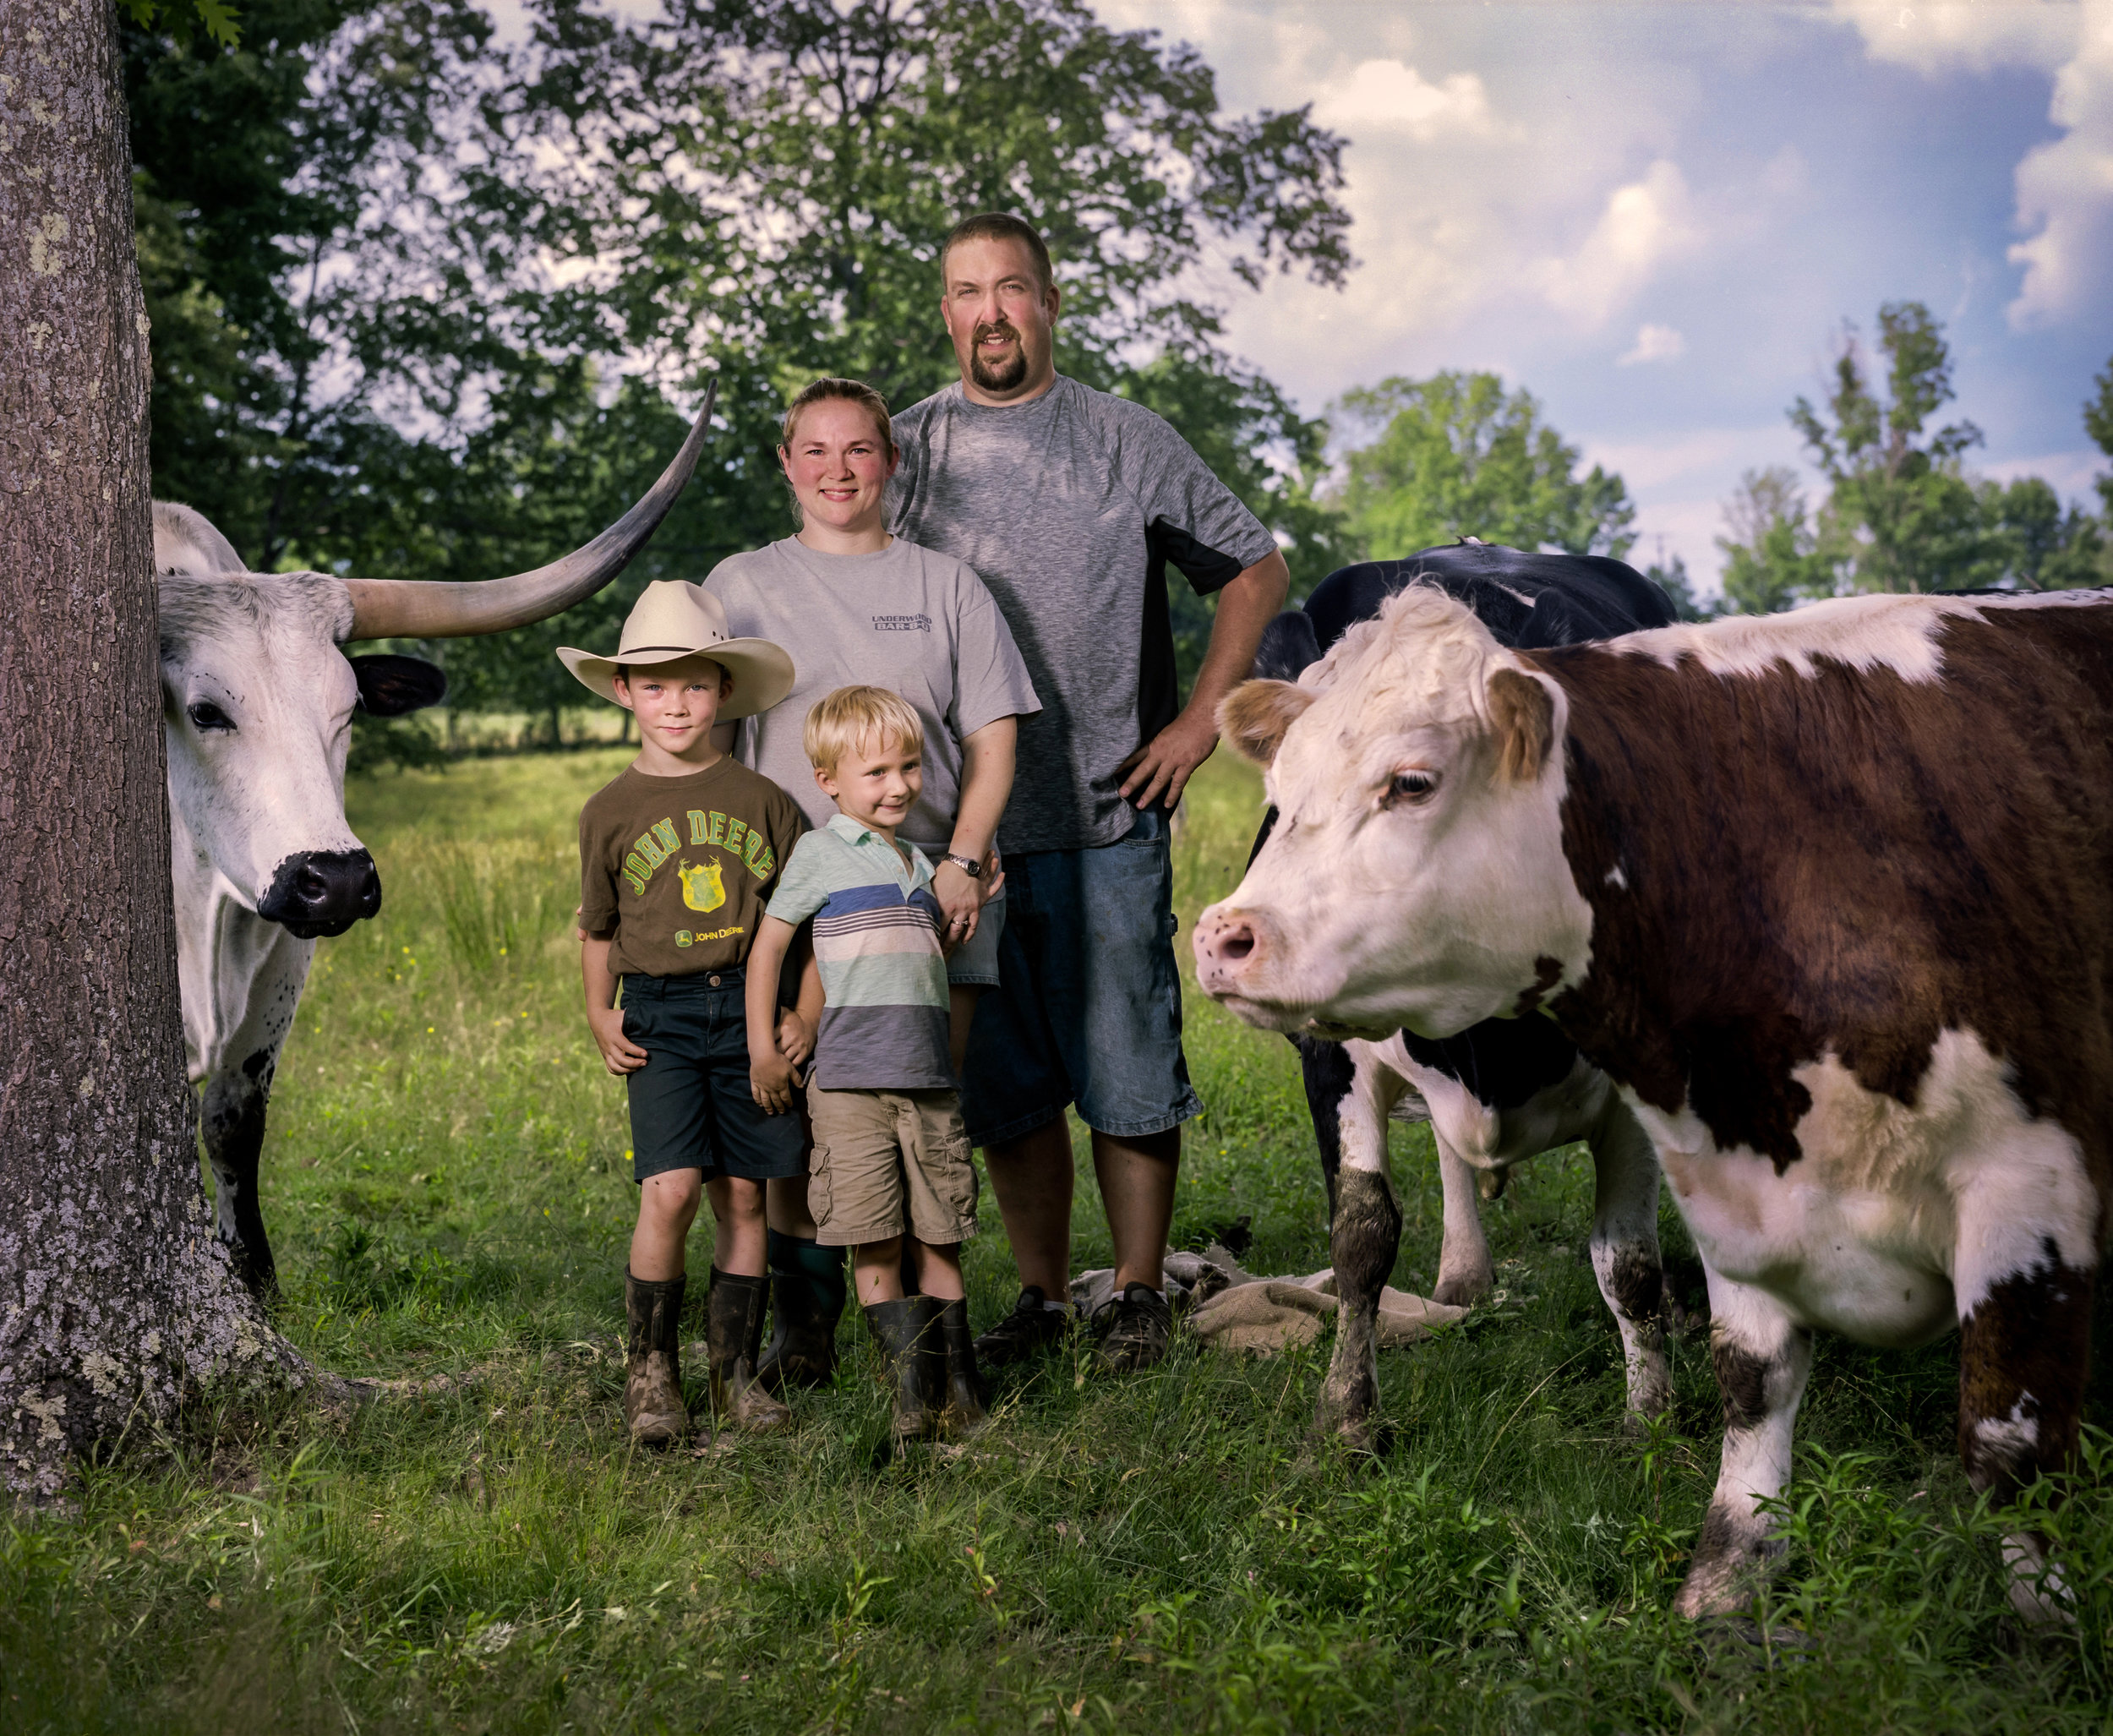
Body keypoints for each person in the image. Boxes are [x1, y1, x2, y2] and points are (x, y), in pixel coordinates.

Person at [888, 213, 1291, 1372]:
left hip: (1110, 810)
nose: (993, 312)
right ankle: (1044, 1297)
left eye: (1013, 288)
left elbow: (1254, 570)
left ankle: (1134, 1295)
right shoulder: (908, 457)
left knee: (1126, 1059)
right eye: (969, 292)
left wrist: (1199, 721)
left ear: (1050, 301)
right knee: (1004, 1080)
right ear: (949, 313)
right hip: (966, 835)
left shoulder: (1125, 441)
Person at [703, 375, 1039, 1389]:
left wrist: (962, 860)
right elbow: (709, 736)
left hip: (932, 894)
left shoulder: (948, 586)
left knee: (924, 1104)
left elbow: (993, 737)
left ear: (890, 462)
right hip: (795, 893)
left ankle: (939, 1351)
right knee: (801, 1112)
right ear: (785, 463)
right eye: (815, 450)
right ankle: (805, 1332)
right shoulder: (742, 583)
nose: (837, 470)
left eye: (859, 450)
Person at [560, 581, 811, 1444]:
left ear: (723, 691)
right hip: (659, 1014)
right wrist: (600, 1012)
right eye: (655, 685)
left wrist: (800, 1018)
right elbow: (598, 928)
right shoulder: (609, 811)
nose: (676, 702)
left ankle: (736, 1374)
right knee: (668, 1191)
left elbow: (803, 926)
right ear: (624, 690)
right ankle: (651, 1375)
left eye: (694, 683)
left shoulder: (768, 802)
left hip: (751, 1007)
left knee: (745, 1191)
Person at [745, 686, 991, 1440]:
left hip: (929, 1085)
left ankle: (961, 1391)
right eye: (877, 772)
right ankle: (909, 1402)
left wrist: (947, 935)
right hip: (850, 1087)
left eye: (909, 767)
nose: (899, 786)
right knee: (876, 1239)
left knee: (940, 1236)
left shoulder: (920, 863)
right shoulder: (821, 854)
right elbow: (769, 951)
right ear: (830, 781)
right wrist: (765, 1044)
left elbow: (909, 963)